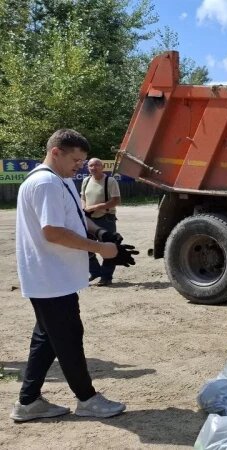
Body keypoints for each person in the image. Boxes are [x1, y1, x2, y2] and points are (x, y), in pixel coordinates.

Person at [11, 129, 138, 423]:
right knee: (68, 337)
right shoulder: (45, 184)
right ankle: (87, 399)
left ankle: (28, 403)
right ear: (56, 152)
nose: (80, 165)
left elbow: (78, 217)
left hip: (55, 278)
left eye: (82, 160)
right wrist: (99, 249)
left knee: (47, 338)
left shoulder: (61, 180)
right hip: (50, 278)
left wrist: (101, 233)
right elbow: (52, 231)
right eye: (76, 159)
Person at [81, 158, 122, 286]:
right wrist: (84, 208)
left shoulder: (110, 181)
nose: (94, 167)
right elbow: (82, 197)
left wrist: (95, 207)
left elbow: (116, 201)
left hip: (106, 219)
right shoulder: (86, 180)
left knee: (108, 248)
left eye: (97, 165)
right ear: (88, 168)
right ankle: (95, 272)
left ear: (102, 167)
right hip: (89, 219)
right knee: (85, 247)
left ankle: (106, 277)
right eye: (91, 165)